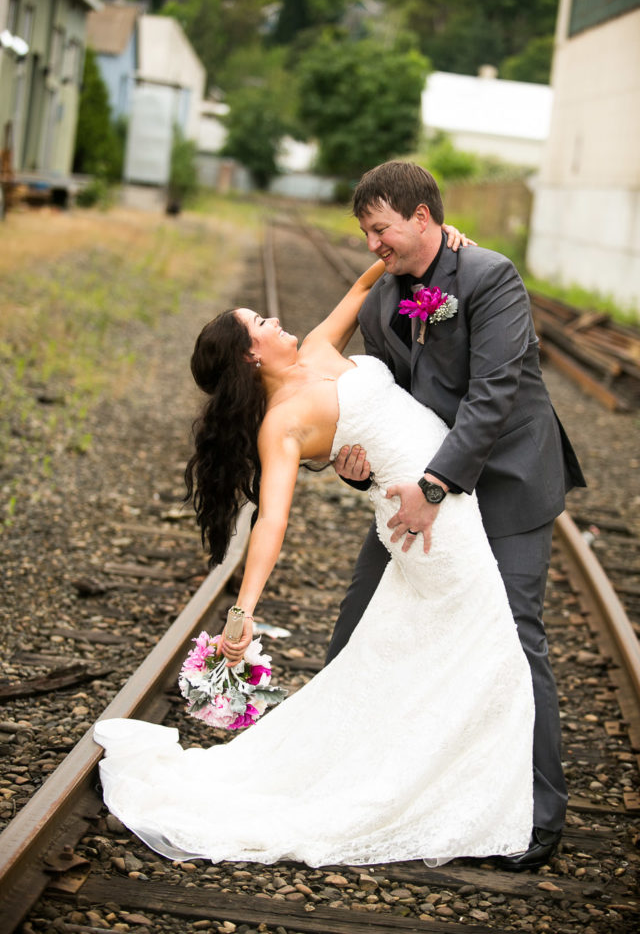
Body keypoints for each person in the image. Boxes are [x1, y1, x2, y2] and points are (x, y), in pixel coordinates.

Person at [93, 226, 537, 869]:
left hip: (443, 504)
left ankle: (419, 778)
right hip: (427, 524)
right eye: (262, 322)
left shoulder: (323, 347)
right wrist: (242, 612)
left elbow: (369, 279)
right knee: (492, 650)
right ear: (250, 355)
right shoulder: (282, 423)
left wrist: (437, 241)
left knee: (435, 650)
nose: (277, 321)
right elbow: (271, 520)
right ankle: (448, 799)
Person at [328, 160, 586, 871]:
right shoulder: (383, 304)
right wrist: (358, 464)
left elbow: (495, 391)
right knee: (359, 618)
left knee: (514, 635)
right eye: (365, 232)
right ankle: (346, 776)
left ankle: (539, 815)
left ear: (420, 217)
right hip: (421, 490)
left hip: (502, 480)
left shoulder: (490, 277)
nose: (372, 242)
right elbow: (389, 409)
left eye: (379, 228)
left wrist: (435, 485)